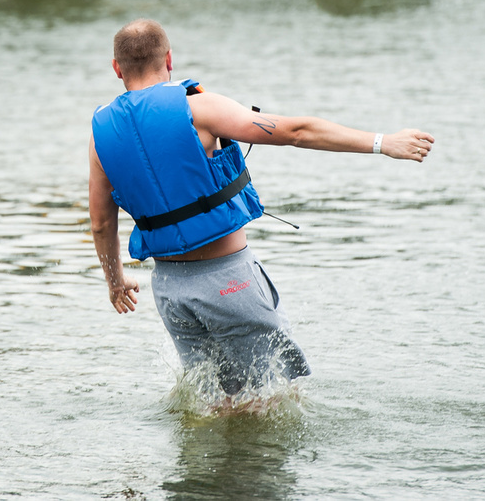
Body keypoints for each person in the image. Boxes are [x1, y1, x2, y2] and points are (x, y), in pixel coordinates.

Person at [89, 19, 434, 396]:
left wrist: (116, 282)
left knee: (214, 403)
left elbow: (101, 223)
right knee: (273, 399)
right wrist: (382, 142)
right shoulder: (198, 109)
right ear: (169, 59)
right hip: (228, 282)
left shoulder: (100, 134)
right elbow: (296, 132)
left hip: (170, 292)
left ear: (117, 68)